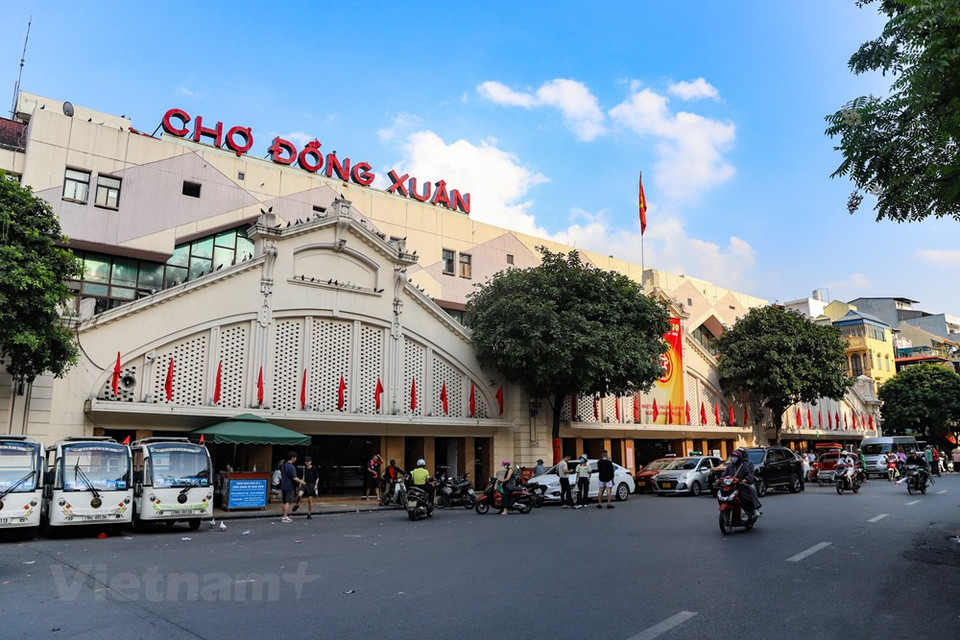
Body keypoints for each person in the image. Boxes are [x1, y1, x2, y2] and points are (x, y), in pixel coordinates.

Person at [723, 449, 760, 515]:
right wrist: (720, 479)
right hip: (732, 484)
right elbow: (724, 475)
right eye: (733, 456)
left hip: (743, 483)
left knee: (751, 489)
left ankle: (755, 508)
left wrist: (746, 480)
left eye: (736, 456)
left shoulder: (747, 464)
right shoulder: (729, 466)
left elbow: (750, 474)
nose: (734, 458)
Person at [280, 451, 305, 523]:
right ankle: (285, 517)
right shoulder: (291, 467)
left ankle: (284, 515)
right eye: (295, 457)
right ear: (292, 458)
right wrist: (302, 482)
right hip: (289, 486)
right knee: (288, 502)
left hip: (283, 485)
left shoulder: (284, 465)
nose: (296, 459)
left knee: (284, 502)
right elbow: (294, 478)